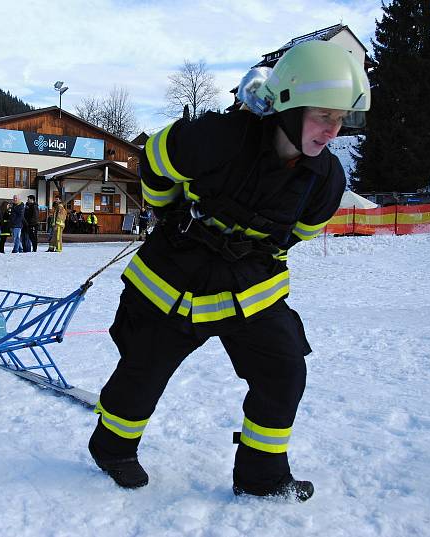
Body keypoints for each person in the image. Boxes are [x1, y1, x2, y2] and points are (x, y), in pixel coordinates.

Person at [86, 41, 370, 502]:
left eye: (341, 120)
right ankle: (112, 449)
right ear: (288, 106)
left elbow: (297, 233)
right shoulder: (216, 138)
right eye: (323, 116)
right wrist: (174, 214)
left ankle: (261, 476)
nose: (332, 132)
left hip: (250, 288)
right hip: (173, 279)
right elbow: (154, 167)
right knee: (143, 369)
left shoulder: (327, 178)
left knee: (283, 371)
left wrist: (243, 246)